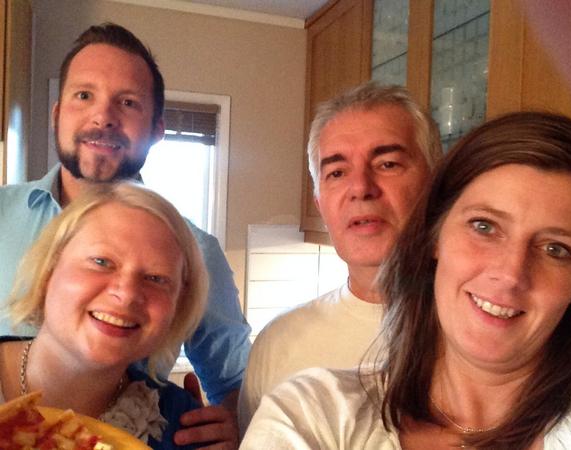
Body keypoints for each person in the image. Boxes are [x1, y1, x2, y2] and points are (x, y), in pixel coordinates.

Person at [240, 111, 571, 449]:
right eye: (484, 226)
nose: (510, 274)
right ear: (434, 234)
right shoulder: (311, 415)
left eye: (556, 249)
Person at [0, 23, 248, 447]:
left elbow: (235, 384)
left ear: (156, 130)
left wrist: (235, 429)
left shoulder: (196, 251)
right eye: (84, 95)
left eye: (128, 102)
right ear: (57, 114)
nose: (103, 117)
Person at [238, 82, 443, 433]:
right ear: (320, 205)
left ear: (436, 184)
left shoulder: (488, 335)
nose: (361, 188)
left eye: (388, 164)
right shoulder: (277, 345)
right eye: (336, 172)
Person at [0, 182, 207, 449]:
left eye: (156, 278)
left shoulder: (185, 427)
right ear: (50, 268)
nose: (127, 293)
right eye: (101, 262)